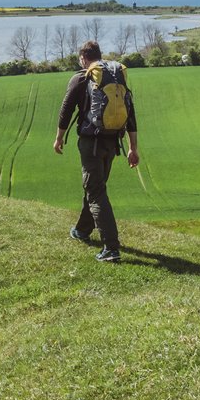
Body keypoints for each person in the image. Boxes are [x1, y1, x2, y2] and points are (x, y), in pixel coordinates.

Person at [53, 40, 139, 263]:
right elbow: (131, 113)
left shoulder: (82, 78)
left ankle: (111, 248)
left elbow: (66, 109)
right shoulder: (116, 77)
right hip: (112, 142)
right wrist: (133, 147)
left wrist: (59, 138)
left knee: (96, 191)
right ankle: (82, 230)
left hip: (91, 143)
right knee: (95, 186)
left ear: (83, 58)